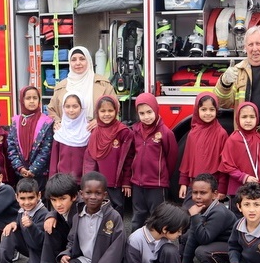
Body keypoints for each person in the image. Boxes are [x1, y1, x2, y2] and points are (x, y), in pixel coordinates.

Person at [50, 172, 126, 263]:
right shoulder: (78, 215)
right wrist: (66, 254)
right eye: (88, 192)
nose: (92, 197)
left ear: (105, 195)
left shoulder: (113, 217)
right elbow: (72, 240)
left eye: (98, 193)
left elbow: (116, 251)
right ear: (81, 194)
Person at [128, 93, 178, 231]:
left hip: (157, 184)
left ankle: (157, 247)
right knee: (138, 216)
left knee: (157, 218)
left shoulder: (166, 133)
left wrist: (162, 175)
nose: (146, 117)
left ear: (156, 109)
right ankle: (135, 246)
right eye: (142, 113)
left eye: (149, 112)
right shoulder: (135, 131)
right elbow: (132, 154)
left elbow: (171, 158)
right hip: (137, 183)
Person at [0, 179, 48, 263]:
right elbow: (18, 222)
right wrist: (13, 223)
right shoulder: (22, 210)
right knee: (10, 230)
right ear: (17, 197)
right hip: (28, 245)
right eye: (22, 198)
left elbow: (40, 243)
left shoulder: (43, 214)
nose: (27, 202)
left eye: (31, 198)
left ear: (39, 195)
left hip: (41, 251)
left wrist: (31, 226)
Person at [83, 95, 134, 216]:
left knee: (116, 211)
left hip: (116, 183)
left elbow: (128, 160)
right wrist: (87, 181)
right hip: (97, 183)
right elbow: (90, 159)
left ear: (116, 111)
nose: (107, 114)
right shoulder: (95, 131)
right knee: (97, 211)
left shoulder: (123, 132)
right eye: (103, 111)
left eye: (110, 110)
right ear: (97, 112)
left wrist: (126, 181)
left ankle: (117, 235)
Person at [180, 173, 237, 263]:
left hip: (233, 248)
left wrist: (195, 216)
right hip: (216, 240)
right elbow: (192, 235)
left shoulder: (219, 212)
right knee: (186, 236)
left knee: (202, 251)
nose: (198, 197)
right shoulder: (202, 207)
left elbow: (204, 239)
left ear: (215, 194)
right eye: (195, 192)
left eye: (203, 193)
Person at [177, 92, 229, 205]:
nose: (208, 113)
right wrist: (183, 183)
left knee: (210, 217)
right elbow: (187, 160)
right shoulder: (193, 133)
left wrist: (222, 188)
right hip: (194, 185)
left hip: (212, 185)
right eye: (204, 109)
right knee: (190, 214)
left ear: (216, 110)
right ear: (197, 110)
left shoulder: (221, 134)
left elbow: (224, 164)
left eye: (211, 109)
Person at [47, 46, 116, 128]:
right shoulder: (61, 86)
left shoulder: (103, 83)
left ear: (88, 61)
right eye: (73, 60)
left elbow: (115, 106)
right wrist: (57, 122)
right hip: (69, 135)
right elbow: (51, 110)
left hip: (97, 133)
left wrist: (100, 121)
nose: (78, 63)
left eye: (82, 59)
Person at [219, 102, 260, 211]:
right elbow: (227, 166)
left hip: (257, 190)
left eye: (252, 117)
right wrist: (244, 177)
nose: (248, 120)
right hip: (238, 189)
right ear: (237, 118)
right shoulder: (233, 139)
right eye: (244, 117)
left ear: (257, 118)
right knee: (237, 219)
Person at [35, 173, 80, 263]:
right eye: (54, 200)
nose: (58, 204)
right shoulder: (59, 206)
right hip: (69, 239)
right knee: (51, 225)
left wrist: (66, 253)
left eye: (63, 199)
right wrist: (51, 215)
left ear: (74, 196)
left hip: (83, 246)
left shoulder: (81, 209)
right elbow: (53, 209)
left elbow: (74, 237)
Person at [7, 86, 54, 194]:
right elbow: (11, 146)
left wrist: (33, 169)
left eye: (35, 98)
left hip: (39, 173)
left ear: (39, 100)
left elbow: (46, 149)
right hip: (21, 172)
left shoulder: (46, 122)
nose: (32, 101)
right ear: (22, 101)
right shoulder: (16, 121)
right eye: (28, 98)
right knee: (24, 200)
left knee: (39, 199)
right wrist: (19, 167)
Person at [49, 91, 90, 183]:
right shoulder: (59, 130)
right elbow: (54, 160)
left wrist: (87, 182)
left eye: (75, 106)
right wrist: (52, 181)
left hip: (82, 182)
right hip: (61, 182)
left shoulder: (88, 131)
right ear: (63, 108)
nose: (71, 110)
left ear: (81, 108)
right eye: (67, 106)